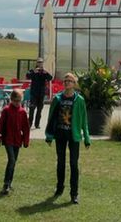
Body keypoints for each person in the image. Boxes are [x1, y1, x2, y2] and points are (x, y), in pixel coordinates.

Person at [42, 71, 89, 204]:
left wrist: (86, 138)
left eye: (70, 81)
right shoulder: (57, 99)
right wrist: (49, 136)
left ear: (74, 84)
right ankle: (59, 187)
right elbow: (51, 119)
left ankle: (74, 193)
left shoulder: (79, 100)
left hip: (74, 136)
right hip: (60, 135)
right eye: (65, 81)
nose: (67, 82)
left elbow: (84, 120)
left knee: (74, 164)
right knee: (60, 163)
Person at [0, 88, 31, 195]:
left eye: (19, 101)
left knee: (14, 162)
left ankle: (10, 182)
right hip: (8, 139)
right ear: (11, 100)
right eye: (15, 101)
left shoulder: (23, 112)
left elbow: (26, 128)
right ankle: (6, 183)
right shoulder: (6, 110)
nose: (16, 103)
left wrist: (26, 140)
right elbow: (0, 124)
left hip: (17, 140)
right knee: (11, 160)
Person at [25, 58, 53, 129]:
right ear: (36, 63)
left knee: (39, 110)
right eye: (39, 62)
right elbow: (27, 76)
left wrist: (46, 73)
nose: (40, 64)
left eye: (41, 62)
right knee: (32, 108)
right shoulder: (33, 71)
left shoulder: (44, 72)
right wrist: (34, 72)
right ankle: (29, 124)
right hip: (34, 93)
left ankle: (37, 124)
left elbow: (50, 78)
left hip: (41, 94)